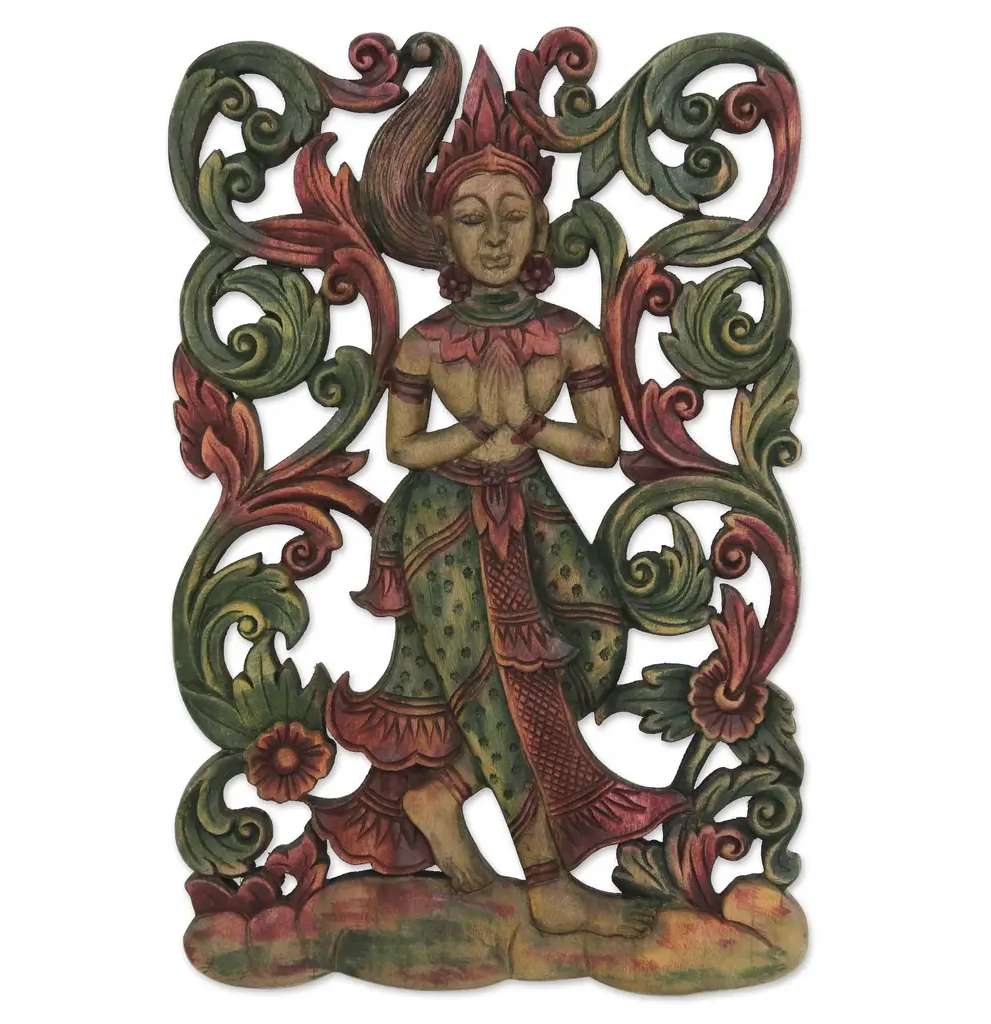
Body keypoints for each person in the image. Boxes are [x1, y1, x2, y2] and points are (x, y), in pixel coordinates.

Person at [312, 47, 687, 938]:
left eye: (512, 216)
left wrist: (533, 431)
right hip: (442, 516)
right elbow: (401, 445)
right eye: (472, 218)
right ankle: (548, 879)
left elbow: (602, 444)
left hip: (530, 495)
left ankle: (444, 795)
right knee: (491, 682)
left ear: (540, 227)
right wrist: (472, 434)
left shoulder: (568, 334)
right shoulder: (429, 341)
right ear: (443, 234)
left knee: (594, 639)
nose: (492, 237)